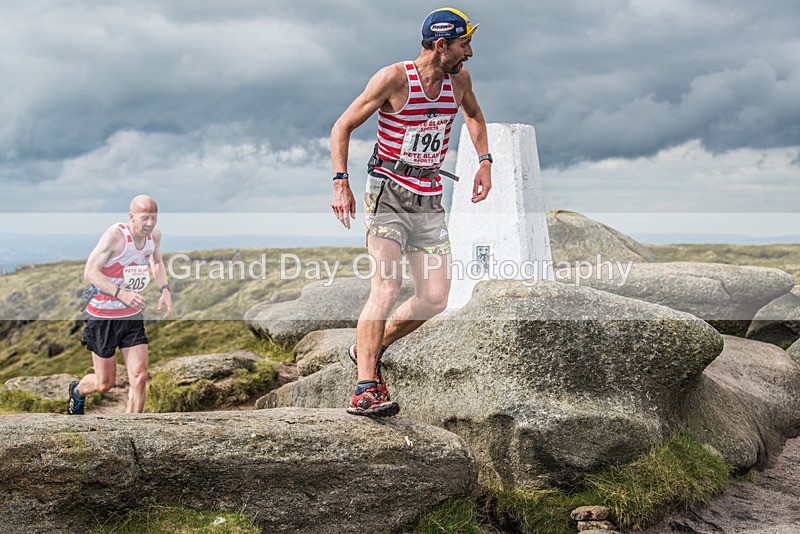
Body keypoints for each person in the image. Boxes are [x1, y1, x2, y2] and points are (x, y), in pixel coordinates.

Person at [330, 8, 492, 417]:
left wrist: (485, 161)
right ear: (441, 45)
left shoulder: (460, 80)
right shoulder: (394, 79)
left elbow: (472, 114)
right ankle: (365, 387)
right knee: (386, 287)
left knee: (435, 298)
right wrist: (339, 181)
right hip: (387, 192)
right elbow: (342, 126)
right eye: (463, 44)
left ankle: (369, 346)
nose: (469, 52)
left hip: (430, 195)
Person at [67, 195, 172, 414]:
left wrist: (164, 289)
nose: (150, 223)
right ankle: (77, 391)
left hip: (131, 316)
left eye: (154, 218)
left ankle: (132, 430)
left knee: (140, 377)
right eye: (145, 218)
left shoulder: (154, 237)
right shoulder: (115, 236)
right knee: (105, 384)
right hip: (102, 316)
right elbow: (90, 272)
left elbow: (156, 261)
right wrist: (120, 293)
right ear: (131, 216)